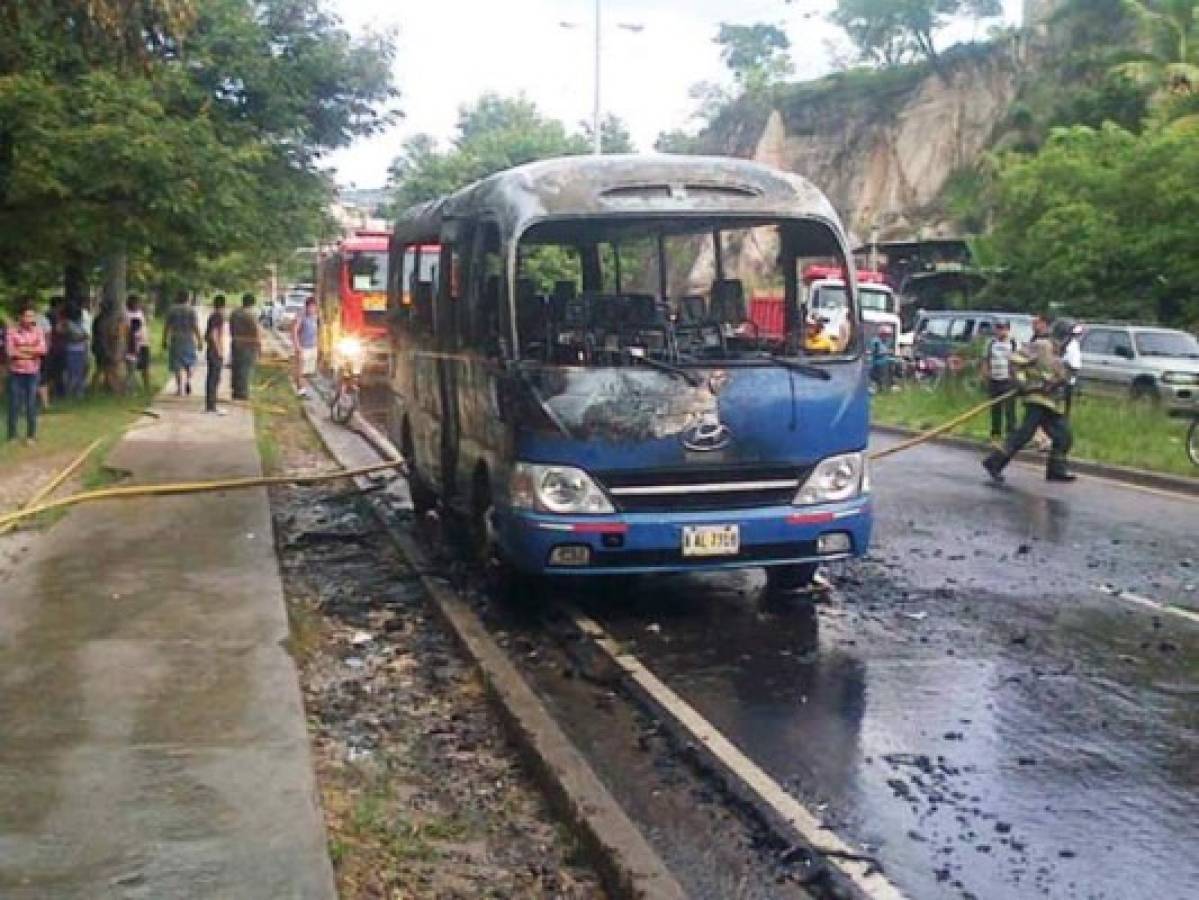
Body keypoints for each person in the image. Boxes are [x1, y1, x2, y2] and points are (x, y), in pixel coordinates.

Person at [982, 314, 1076, 484]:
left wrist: (1059, 380)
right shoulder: (1041, 346)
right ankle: (994, 462)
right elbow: (1015, 361)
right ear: (1063, 335)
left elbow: (1059, 376)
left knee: (1063, 436)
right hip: (1037, 399)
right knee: (1024, 433)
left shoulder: (1059, 353)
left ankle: (1056, 469)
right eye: (1069, 336)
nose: (1071, 341)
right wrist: (1023, 383)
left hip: (1051, 402)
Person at [6, 304, 48, 444]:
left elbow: (42, 350)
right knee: (14, 404)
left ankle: (31, 435)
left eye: (32, 316)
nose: (29, 319)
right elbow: (11, 352)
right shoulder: (13, 331)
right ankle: (12, 435)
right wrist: (31, 350)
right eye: (27, 316)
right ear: (21, 317)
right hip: (16, 373)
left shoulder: (38, 331)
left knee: (31, 404)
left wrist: (23, 350)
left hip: (33, 373)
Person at [982, 320, 1018, 445]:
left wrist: (1015, 378)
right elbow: (986, 359)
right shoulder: (991, 343)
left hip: (1008, 380)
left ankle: (1011, 436)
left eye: (1002, 328)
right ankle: (995, 435)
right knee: (995, 409)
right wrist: (986, 375)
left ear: (1008, 329)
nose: (1000, 331)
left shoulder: (1014, 343)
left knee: (1010, 410)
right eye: (998, 328)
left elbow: (1018, 362)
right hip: (994, 380)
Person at [164, 290, 202, 396]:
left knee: (177, 364)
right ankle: (188, 380)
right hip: (189, 338)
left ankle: (179, 388)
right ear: (188, 298)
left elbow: (167, 326)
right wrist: (199, 340)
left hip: (176, 338)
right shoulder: (191, 310)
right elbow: (195, 326)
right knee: (190, 362)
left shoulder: (172, 310)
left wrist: (164, 339)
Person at [229, 292, 261, 401]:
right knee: (246, 369)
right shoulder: (251, 314)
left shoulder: (234, 313)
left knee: (236, 367)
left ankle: (236, 390)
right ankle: (243, 392)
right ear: (252, 303)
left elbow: (230, 328)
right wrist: (259, 346)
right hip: (248, 344)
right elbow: (256, 331)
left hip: (235, 342)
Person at [204, 295, 228, 415]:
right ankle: (211, 406)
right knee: (214, 378)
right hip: (214, 351)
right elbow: (214, 334)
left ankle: (211, 405)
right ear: (224, 305)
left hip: (211, 350)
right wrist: (219, 350)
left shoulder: (214, 316)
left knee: (213, 378)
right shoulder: (218, 316)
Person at [291, 296, 320, 398]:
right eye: (310, 307)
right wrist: (297, 346)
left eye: (314, 307)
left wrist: (318, 346)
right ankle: (301, 391)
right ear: (307, 307)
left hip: (313, 348)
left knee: (308, 372)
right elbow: (294, 331)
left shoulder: (315, 317)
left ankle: (303, 389)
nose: (312, 309)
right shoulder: (301, 317)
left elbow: (317, 333)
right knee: (301, 371)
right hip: (303, 348)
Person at [60, 304, 90, 398]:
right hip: (72, 350)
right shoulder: (68, 324)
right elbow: (74, 337)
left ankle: (78, 391)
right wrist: (81, 337)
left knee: (81, 371)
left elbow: (85, 335)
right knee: (72, 372)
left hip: (81, 349)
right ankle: (70, 392)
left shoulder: (80, 323)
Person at [127, 295, 151, 394]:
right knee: (132, 367)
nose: (138, 305)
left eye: (139, 303)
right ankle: (131, 388)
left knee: (145, 366)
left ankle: (147, 386)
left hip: (144, 343)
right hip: (133, 343)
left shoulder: (140, 313)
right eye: (136, 303)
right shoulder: (126, 314)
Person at [1061, 323, 1083, 416]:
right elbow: (1072, 363)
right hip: (1069, 375)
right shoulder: (1073, 345)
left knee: (1067, 398)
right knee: (1066, 399)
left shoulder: (1071, 344)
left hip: (1069, 375)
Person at [869, 327, 897, 392]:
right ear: (881, 333)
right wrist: (886, 352)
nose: (888, 336)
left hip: (885, 359)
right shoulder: (875, 341)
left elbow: (887, 351)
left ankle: (892, 384)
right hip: (877, 361)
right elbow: (874, 352)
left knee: (897, 362)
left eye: (889, 335)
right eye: (886, 334)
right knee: (887, 363)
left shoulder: (885, 341)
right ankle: (881, 385)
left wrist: (890, 354)